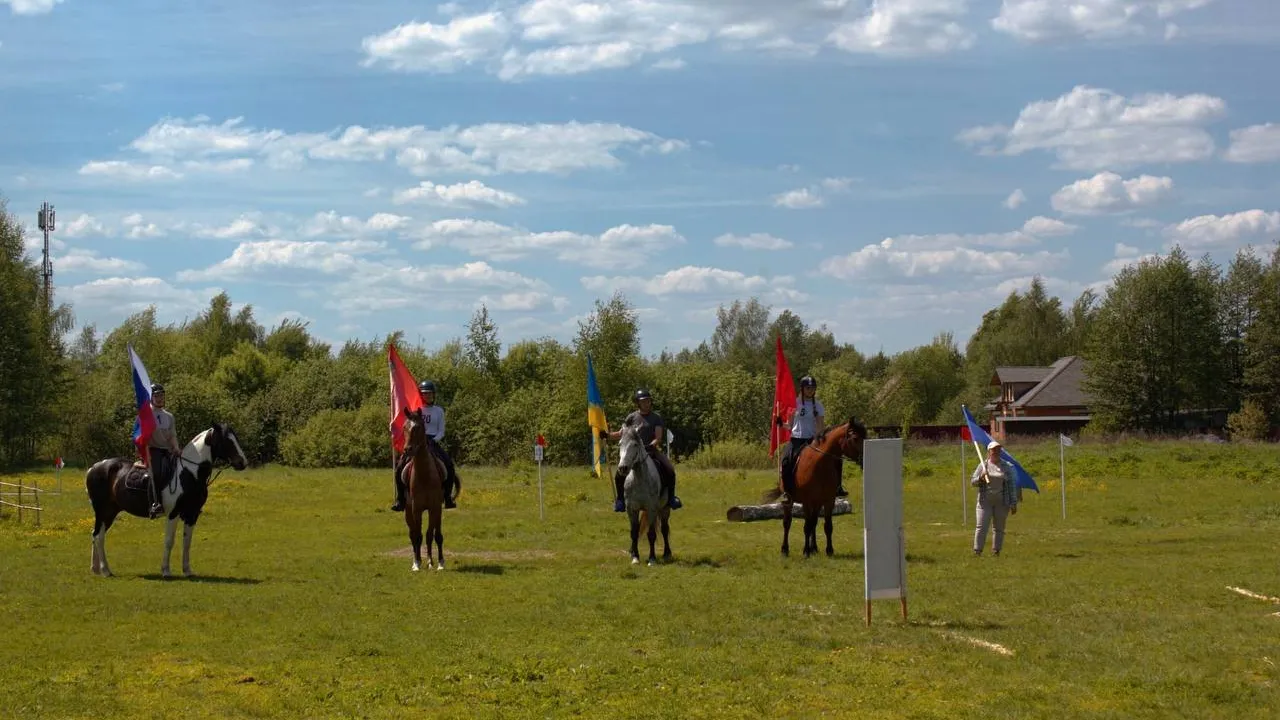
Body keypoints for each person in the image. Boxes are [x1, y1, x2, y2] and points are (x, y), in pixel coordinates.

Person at [601, 388, 682, 513]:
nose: (646, 403)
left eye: (648, 401)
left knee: (669, 469)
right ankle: (620, 500)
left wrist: (650, 446)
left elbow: (658, 437)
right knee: (619, 474)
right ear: (638, 403)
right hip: (633, 452)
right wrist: (607, 435)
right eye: (643, 401)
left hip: (651, 450)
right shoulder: (631, 417)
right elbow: (621, 434)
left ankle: (671, 498)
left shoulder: (656, 418)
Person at [776, 376, 848, 504]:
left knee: (836, 460)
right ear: (802, 389)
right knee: (786, 461)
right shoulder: (794, 404)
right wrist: (781, 424)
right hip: (796, 440)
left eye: (813, 388)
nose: (810, 390)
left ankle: (838, 488)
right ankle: (787, 492)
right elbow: (790, 425)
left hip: (812, 441)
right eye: (808, 388)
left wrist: (820, 439)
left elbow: (820, 425)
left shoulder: (818, 405)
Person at [391, 380, 460, 511]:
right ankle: (400, 499)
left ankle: (447, 498)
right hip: (416, 442)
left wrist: (434, 440)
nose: (427, 396)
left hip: (433, 441)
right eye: (424, 394)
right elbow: (408, 427)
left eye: (429, 394)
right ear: (421, 395)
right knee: (400, 466)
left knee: (449, 465)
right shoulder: (416, 410)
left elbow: (441, 430)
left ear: (433, 395)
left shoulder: (438, 411)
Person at [971, 439, 1018, 556]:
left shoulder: (1007, 467)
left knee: (999, 528)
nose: (996, 452)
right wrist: (980, 478)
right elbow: (972, 482)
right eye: (993, 450)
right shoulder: (983, 465)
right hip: (984, 502)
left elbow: (1012, 486)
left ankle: (996, 550)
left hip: (1002, 502)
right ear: (989, 452)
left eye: (998, 449)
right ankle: (978, 550)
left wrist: (1013, 503)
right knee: (981, 526)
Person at [146, 383, 183, 519]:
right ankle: (154, 505)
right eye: (157, 396)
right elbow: (140, 435)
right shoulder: (146, 414)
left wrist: (176, 448)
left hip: (167, 450)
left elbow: (172, 436)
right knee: (155, 473)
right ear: (151, 397)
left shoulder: (169, 416)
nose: (160, 398)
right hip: (153, 450)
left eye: (162, 395)